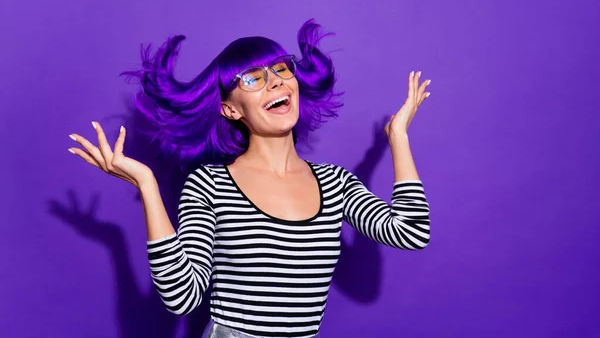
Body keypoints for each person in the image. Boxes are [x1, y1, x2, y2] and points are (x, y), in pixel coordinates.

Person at [67, 19, 432, 338]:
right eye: (253, 78)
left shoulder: (334, 184)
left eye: (281, 69)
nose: (275, 82)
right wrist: (147, 184)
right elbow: (183, 297)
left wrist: (397, 136)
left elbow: (411, 232)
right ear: (230, 109)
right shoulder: (211, 185)